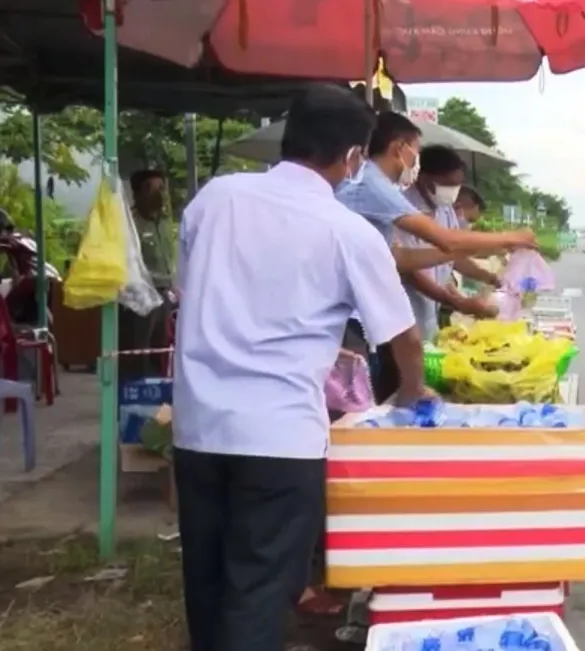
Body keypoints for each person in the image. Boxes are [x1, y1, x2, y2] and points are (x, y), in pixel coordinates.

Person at [171, 84, 431, 651]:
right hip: (280, 437)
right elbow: (403, 336)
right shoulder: (347, 230)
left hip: (198, 427)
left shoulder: (216, 198)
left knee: (209, 581)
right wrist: (412, 391)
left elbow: (192, 293)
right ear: (355, 158)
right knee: (260, 588)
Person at [336, 113, 530, 400]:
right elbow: (444, 242)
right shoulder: (373, 184)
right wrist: (510, 239)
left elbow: (400, 258)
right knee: (358, 408)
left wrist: (487, 265)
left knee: (380, 402)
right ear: (398, 148)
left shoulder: (379, 187)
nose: (416, 160)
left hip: (375, 323)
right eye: (414, 150)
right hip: (352, 321)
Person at [399, 145, 503, 341]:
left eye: (457, 185)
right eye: (447, 184)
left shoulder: (444, 210)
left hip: (429, 313)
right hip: (405, 313)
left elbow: (454, 255)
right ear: (425, 178)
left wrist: (489, 277)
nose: (453, 192)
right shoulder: (403, 210)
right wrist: (459, 303)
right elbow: (410, 271)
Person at [119, 169, 174, 380]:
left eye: (162, 188)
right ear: (137, 193)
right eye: (151, 189)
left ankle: (157, 402)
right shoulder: (131, 223)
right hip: (140, 296)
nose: (159, 194)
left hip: (164, 294)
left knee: (159, 351)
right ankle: (134, 398)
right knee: (137, 351)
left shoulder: (165, 222)